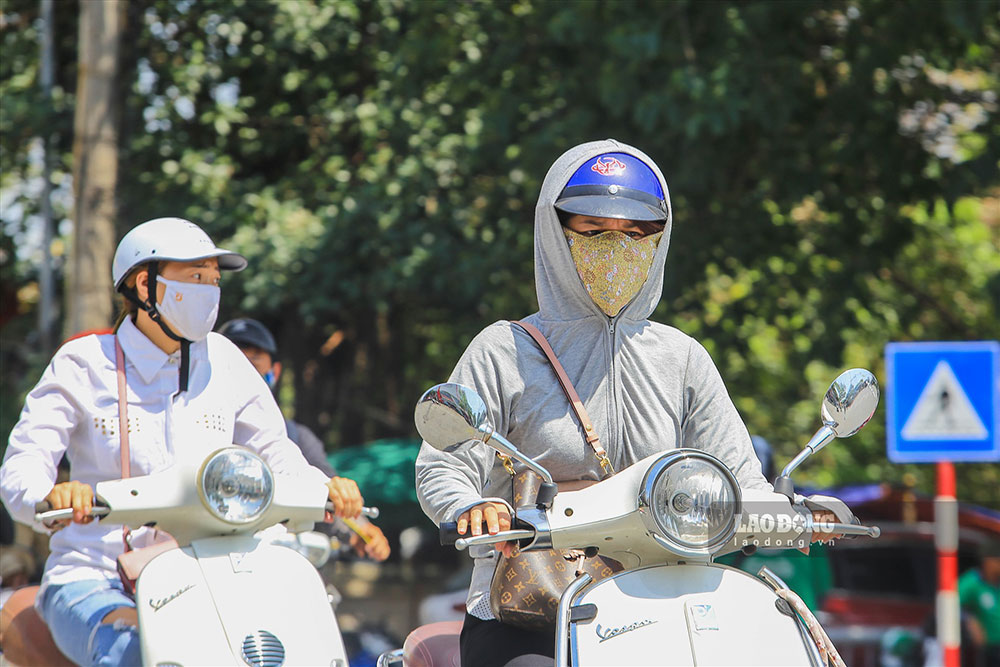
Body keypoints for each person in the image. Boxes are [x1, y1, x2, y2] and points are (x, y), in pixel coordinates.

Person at [415, 139, 835, 667]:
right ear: (555, 233)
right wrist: (471, 507)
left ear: (660, 239)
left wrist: (788, 514)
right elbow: (444, 462)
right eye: (593, 232)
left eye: (636, 234)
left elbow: (740, 478)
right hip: (533, 611)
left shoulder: (683, 358)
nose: (616, 249)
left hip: (668, 603)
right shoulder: (504, 349)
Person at [0, 217, 368, 666]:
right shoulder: (83, 363)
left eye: (214, 280)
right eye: (195, 277)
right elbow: (23, 465)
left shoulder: (227, 360)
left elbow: (277, 454)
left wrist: (323, 488)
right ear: (144, 284)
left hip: (214, 569)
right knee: (137, 653)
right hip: (95, 576)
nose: (210, 291)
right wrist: (48, 495)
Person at [218, 317, 390, 562]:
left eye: (255, 357)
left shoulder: (292, 437)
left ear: (274, 372)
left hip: (272, 558)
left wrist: (358, 529)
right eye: (236, 356)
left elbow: (322, 488)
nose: (244, 367)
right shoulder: (197, 423)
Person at [959, 542, 1000, 666]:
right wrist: (970, 620)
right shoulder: (971, 582)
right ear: (987, 561)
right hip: (990, 649)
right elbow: (950, 606)